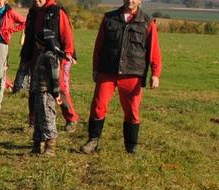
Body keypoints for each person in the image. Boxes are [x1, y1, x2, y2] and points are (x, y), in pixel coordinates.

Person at [81, 0, 162, 154]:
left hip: (132, 73)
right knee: (98, 106)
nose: (130, 0)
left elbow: (154, 50)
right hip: (107, 71)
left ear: (140, 1)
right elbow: (99, 45)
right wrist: (95, 68)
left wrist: (155, 74)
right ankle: (92, 141)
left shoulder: (147, 22)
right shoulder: (109, 18)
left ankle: (131, 146)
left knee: (132, 111)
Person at [20, 0, 79, 132]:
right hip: (35, 57)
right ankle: (33, 122)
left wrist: (68, 53)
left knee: (60, 89)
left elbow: (67, 34)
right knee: (34, 89)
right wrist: (25, 57)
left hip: (55, 57)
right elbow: (28, 35)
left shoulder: (57, 11)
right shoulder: (32, 12)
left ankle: (71, 119)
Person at [27, 29, 66, 155]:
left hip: (46, 94)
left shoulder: (50, 57)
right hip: (38, 92)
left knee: (47, 118)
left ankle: (50, 147)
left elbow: (55, 77)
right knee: (38, 119)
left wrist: (56, 93)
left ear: (41, 42)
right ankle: (37, 145)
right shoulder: (43, 54)